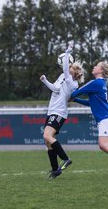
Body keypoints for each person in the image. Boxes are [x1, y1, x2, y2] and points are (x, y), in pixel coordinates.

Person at [40, 42, 85, 179]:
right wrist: (45, 81)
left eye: (72, 67)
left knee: (47, 136)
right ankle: (55, 170)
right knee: (48, 142)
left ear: (75, 72)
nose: (69, 68)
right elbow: (55, 89)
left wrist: (68, 51)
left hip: (59, 113)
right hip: (52, 110)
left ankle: (65, 158)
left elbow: (66, 68)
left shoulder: (73, 83)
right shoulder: (63, 77)